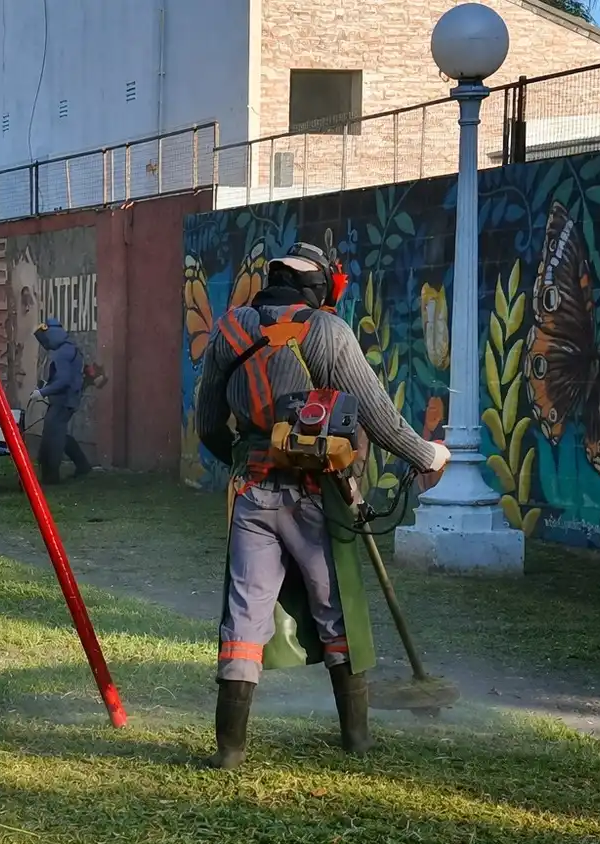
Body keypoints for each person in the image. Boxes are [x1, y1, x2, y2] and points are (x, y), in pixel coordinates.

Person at [193, 242, 449, 769]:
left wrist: (245, 459)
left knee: (244, 614)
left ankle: (230, 751)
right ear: (319, 287)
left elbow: (208, 425)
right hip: (316, 494)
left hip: (250, 493)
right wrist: (427, 453)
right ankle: (356, 738)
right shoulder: (328, 331)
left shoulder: (230, 330)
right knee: (337, 610)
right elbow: (377, 415)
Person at [29, 317, 94, 484]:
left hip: (63, 401)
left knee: (52, 438)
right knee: (58, 434)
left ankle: (51, 477)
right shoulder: (67, 348)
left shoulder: (61, 352)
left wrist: (42, 392)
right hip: (67, 400)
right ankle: (83, 465)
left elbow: (63, 380)